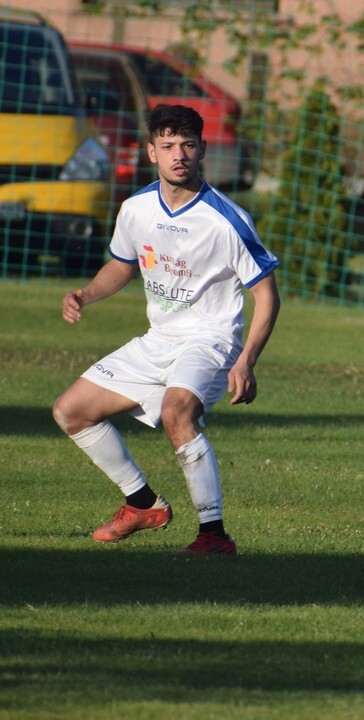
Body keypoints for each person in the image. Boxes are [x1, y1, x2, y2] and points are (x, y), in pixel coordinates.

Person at [52, 104, 281, 556]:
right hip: (158, 340)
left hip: (210, 340)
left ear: (202, 150)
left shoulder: (226, 220)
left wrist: (246, 359)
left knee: (178, 413)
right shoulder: (135, 208)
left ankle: (213, 536)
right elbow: (122, 266)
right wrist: (86, 294)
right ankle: (142, 504)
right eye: (169, 145)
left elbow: (267, 294)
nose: (179, 154)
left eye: (188, 145)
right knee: (70, 410)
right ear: (151, 151)